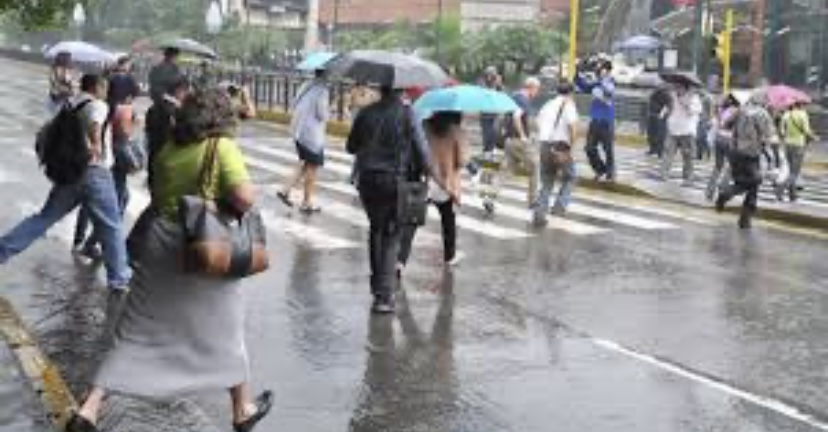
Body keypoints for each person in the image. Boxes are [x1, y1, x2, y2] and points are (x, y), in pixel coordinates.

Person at [65, 89, 273, 432]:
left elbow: (159, 194)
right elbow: (242, 197)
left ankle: (89, 409)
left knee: (136, 326)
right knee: (226, 326)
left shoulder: (168, 149)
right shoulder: (221, 147)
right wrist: (251, 194)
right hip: (205, 246)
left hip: (160, 242)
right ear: (220, 118)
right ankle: (241, 409)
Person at [0, 74, 131, 292]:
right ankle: (119, 278)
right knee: (111, 225)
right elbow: (96, 124)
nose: (106, 90)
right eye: (104, 86)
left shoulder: (72, 103)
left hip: (73, 172)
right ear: (97, 86)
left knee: (44, 218)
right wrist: (97, 144)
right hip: (95, 173)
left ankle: (2, 250)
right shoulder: (97, 104)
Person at [347, 86, 450, 314]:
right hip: (395, 181)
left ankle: (377, 287)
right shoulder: (408, 113)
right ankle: (384, 296)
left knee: (376, 229)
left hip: (368, 180)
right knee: (392, 235)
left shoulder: (366, 113)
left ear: (380, 89)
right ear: (401, 90)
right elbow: (423, 153)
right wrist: (439, 180)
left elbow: (350, 146)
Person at [398, 112, 466, 271]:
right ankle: (450, 256)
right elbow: (463, 160)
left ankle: (400, 260)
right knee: (448, 220)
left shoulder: (424, 126)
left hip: (424, 179)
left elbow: (416, 148)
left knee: (411, 223)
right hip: (445, 182)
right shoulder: (457, 131)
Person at [72, 92, 137, 257]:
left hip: (96, 163)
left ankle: (81, 241)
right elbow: (123, 135)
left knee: (88, 204)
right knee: (118, 203)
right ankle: (94, 243)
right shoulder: (123, 109)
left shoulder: (102, 107)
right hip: (107, 163)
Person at [715, 91, 776, 229]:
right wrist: (770, 155)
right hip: (751, 154)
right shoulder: (762, 114)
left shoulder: (740, 110)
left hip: (734, 152)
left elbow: (725, 124)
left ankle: (745, 219)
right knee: (754, 181)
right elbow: (767, 136)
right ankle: (728, 195)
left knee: (747, 182)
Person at [277, 69, 329, 214]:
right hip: (311, 135)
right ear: (327, 74)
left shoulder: (306, 85)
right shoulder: (322, 90)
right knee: (312, 167)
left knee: (305, 163)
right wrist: (330, 109)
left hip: (298, 131)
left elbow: (294, 103)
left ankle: (285, 190)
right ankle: (306, 202)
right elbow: (322, 114)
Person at [533, 82, 580, 225]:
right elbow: (573, 127)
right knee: (571, 177)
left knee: (547, 180)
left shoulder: (548, 104)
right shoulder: (568, 105)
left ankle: (540, 213)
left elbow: (537, 122)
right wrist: (572, 148)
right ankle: (560, 206)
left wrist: (546, 134)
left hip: (545, 144)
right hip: (561, 146)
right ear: (571, 93)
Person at [145, 76, 191, 192]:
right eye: (187, 91)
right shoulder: (175, 111)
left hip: (153, 157)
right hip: (170, 162)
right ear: (179, 90)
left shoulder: (153, 107)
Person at [575, 59, 616, 181]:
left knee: (608, 149)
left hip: (606, 121)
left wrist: (600, 81)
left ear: (607, 70)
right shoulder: (596, 83)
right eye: (598, 68)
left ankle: (610, 173)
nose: (598, 70)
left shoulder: (611, 81)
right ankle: (600, 169)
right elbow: (583, 86)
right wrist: (578, 71)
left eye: (601, 68)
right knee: (589, 148)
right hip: (594, 120)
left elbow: (609, 92)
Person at [505, 77, 542, 207]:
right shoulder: (522, 99)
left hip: (509, 140)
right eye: (537, 89)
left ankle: (490, 196)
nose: (537, 93)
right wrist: (523, 136)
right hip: (518, 141)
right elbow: (517, 117)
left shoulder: (514, 96)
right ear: (531, 87)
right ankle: (533, 200)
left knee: (507, 170)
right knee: (536, 167)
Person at [660, 83, 703, 185]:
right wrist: (663, 114)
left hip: (687, 131)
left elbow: (695, 111)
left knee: (688, 156)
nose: (677, 89)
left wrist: (685, 103)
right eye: (676, 87)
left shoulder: (694, 97)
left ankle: (688, 178)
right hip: (673, 130)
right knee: (667, 153)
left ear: (686, 88)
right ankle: (664, 174)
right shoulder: (672, 96)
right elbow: (667, 107)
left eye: (680, 87)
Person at [777, 101, 818, 202]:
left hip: (787, 145)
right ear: (801, 105)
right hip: (798, 145)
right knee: (795, 172)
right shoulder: (803, 115)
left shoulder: (786, 114)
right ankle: (781, 188)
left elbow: (781, 131)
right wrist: (814, 137)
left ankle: (792, 195)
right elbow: (806, 131)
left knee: (791, 171)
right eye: (804, 105)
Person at [705, 93, 743, 201]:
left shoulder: (721, 110)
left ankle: (709, 191)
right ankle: (722, 186)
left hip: (718, 139)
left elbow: (717, 125)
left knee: (717, 167)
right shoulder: (737, 112)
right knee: (731, 166)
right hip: (729, 140)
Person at [479, 66, 504, 154]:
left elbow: (501, 94)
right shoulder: (482, 83)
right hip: (485, 111)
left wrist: (498, 84)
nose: (490, 76)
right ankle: (487, 149)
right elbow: (481, 94)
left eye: (492, 74)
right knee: (487, 132)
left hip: (495, 111)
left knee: (495, 131)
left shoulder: (497, 83)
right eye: (488, 74)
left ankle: (491, 148)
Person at [646, 86, 670, 157]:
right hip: (653, 115)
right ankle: (653, 149)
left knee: (659, 134)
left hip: (659, 116)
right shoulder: (654, 94)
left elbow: (667, 106)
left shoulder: (666, 94)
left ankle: (659, 150)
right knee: (652, 133)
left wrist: (662, 114)